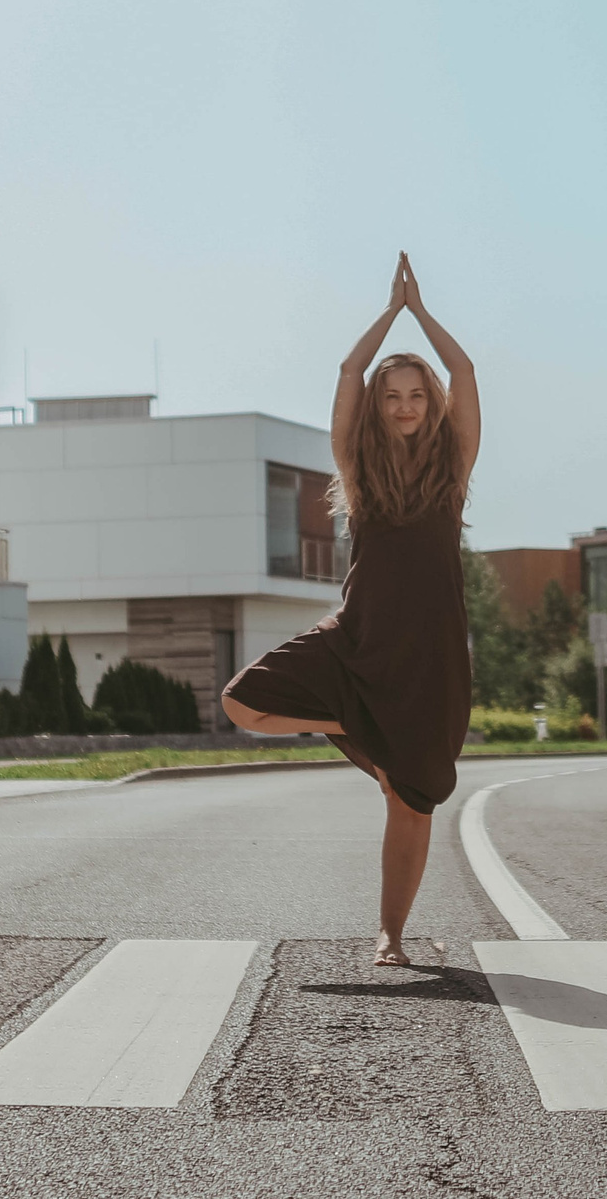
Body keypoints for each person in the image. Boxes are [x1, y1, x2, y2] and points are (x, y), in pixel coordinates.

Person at [222, 253, 479, 966]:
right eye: (391, 394)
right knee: (243, 701)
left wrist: (423, 314)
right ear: (378, 405)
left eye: (415, 395)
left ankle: (391, 935)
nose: (403, 405)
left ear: (430, 404)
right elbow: (345, 373)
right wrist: (389, 314)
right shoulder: (358, 471)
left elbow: (466, 377)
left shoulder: (452, 472)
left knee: (411, 799)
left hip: (430, 658)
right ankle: (351, 715)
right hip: (357, 642)